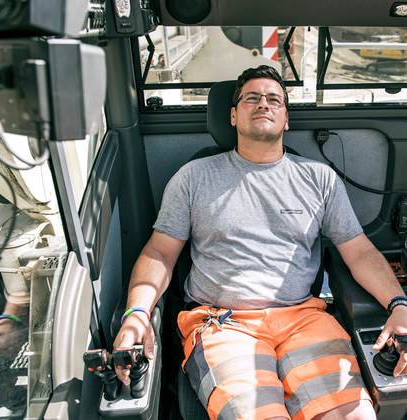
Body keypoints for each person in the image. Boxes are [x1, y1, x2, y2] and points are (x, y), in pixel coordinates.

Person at [113, 65, 407, 420]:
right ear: (234, 115)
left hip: (304, 318)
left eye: (274, 100)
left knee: (354, 416)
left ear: (286, 119)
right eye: (252, 98)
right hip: (223, 323)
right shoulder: (194, 177)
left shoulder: (319, 179)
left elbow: (359, 251)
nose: (263, 104)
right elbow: (159, 252)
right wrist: (136, 314)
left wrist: (398, 305)